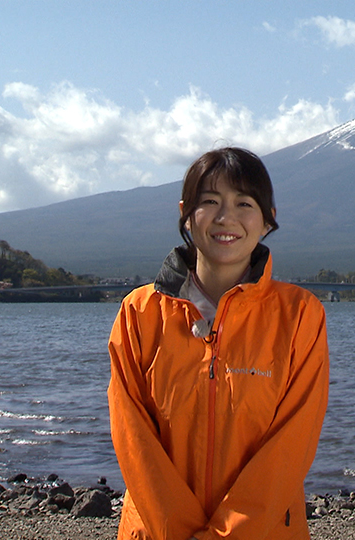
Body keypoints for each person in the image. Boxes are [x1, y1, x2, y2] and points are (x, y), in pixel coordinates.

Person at [108, 147, 329, 540]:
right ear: (185, 214)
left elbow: (290, 446)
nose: (226, 218)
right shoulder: (139, 314)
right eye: (209, 201)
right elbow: (134, 439)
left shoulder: (299, 316)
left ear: (267, 220)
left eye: (244, 203)